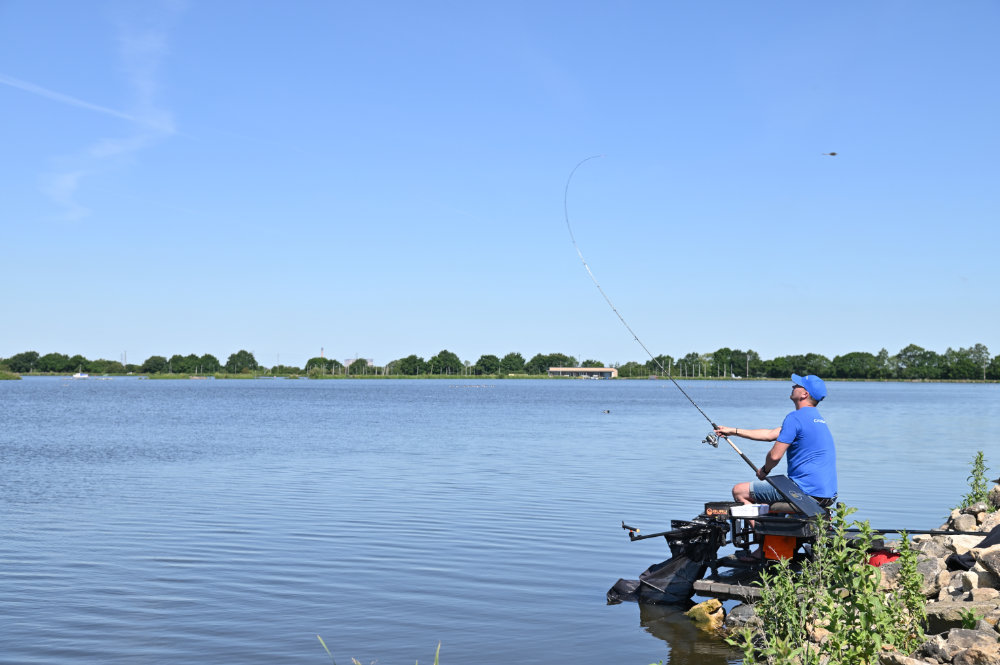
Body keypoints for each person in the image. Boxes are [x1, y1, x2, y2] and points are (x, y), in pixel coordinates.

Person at [714, 374, 837, 508]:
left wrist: (765, 471)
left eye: (797, 385)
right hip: (827, 494)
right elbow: (769, 434)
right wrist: (733, 431)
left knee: (739, 491)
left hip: (805, 491)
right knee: (765, 495)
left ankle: (760, 529)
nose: (793, 386)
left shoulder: (795, 418)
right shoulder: (816, 419)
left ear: (804, 394)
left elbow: (775, 456)